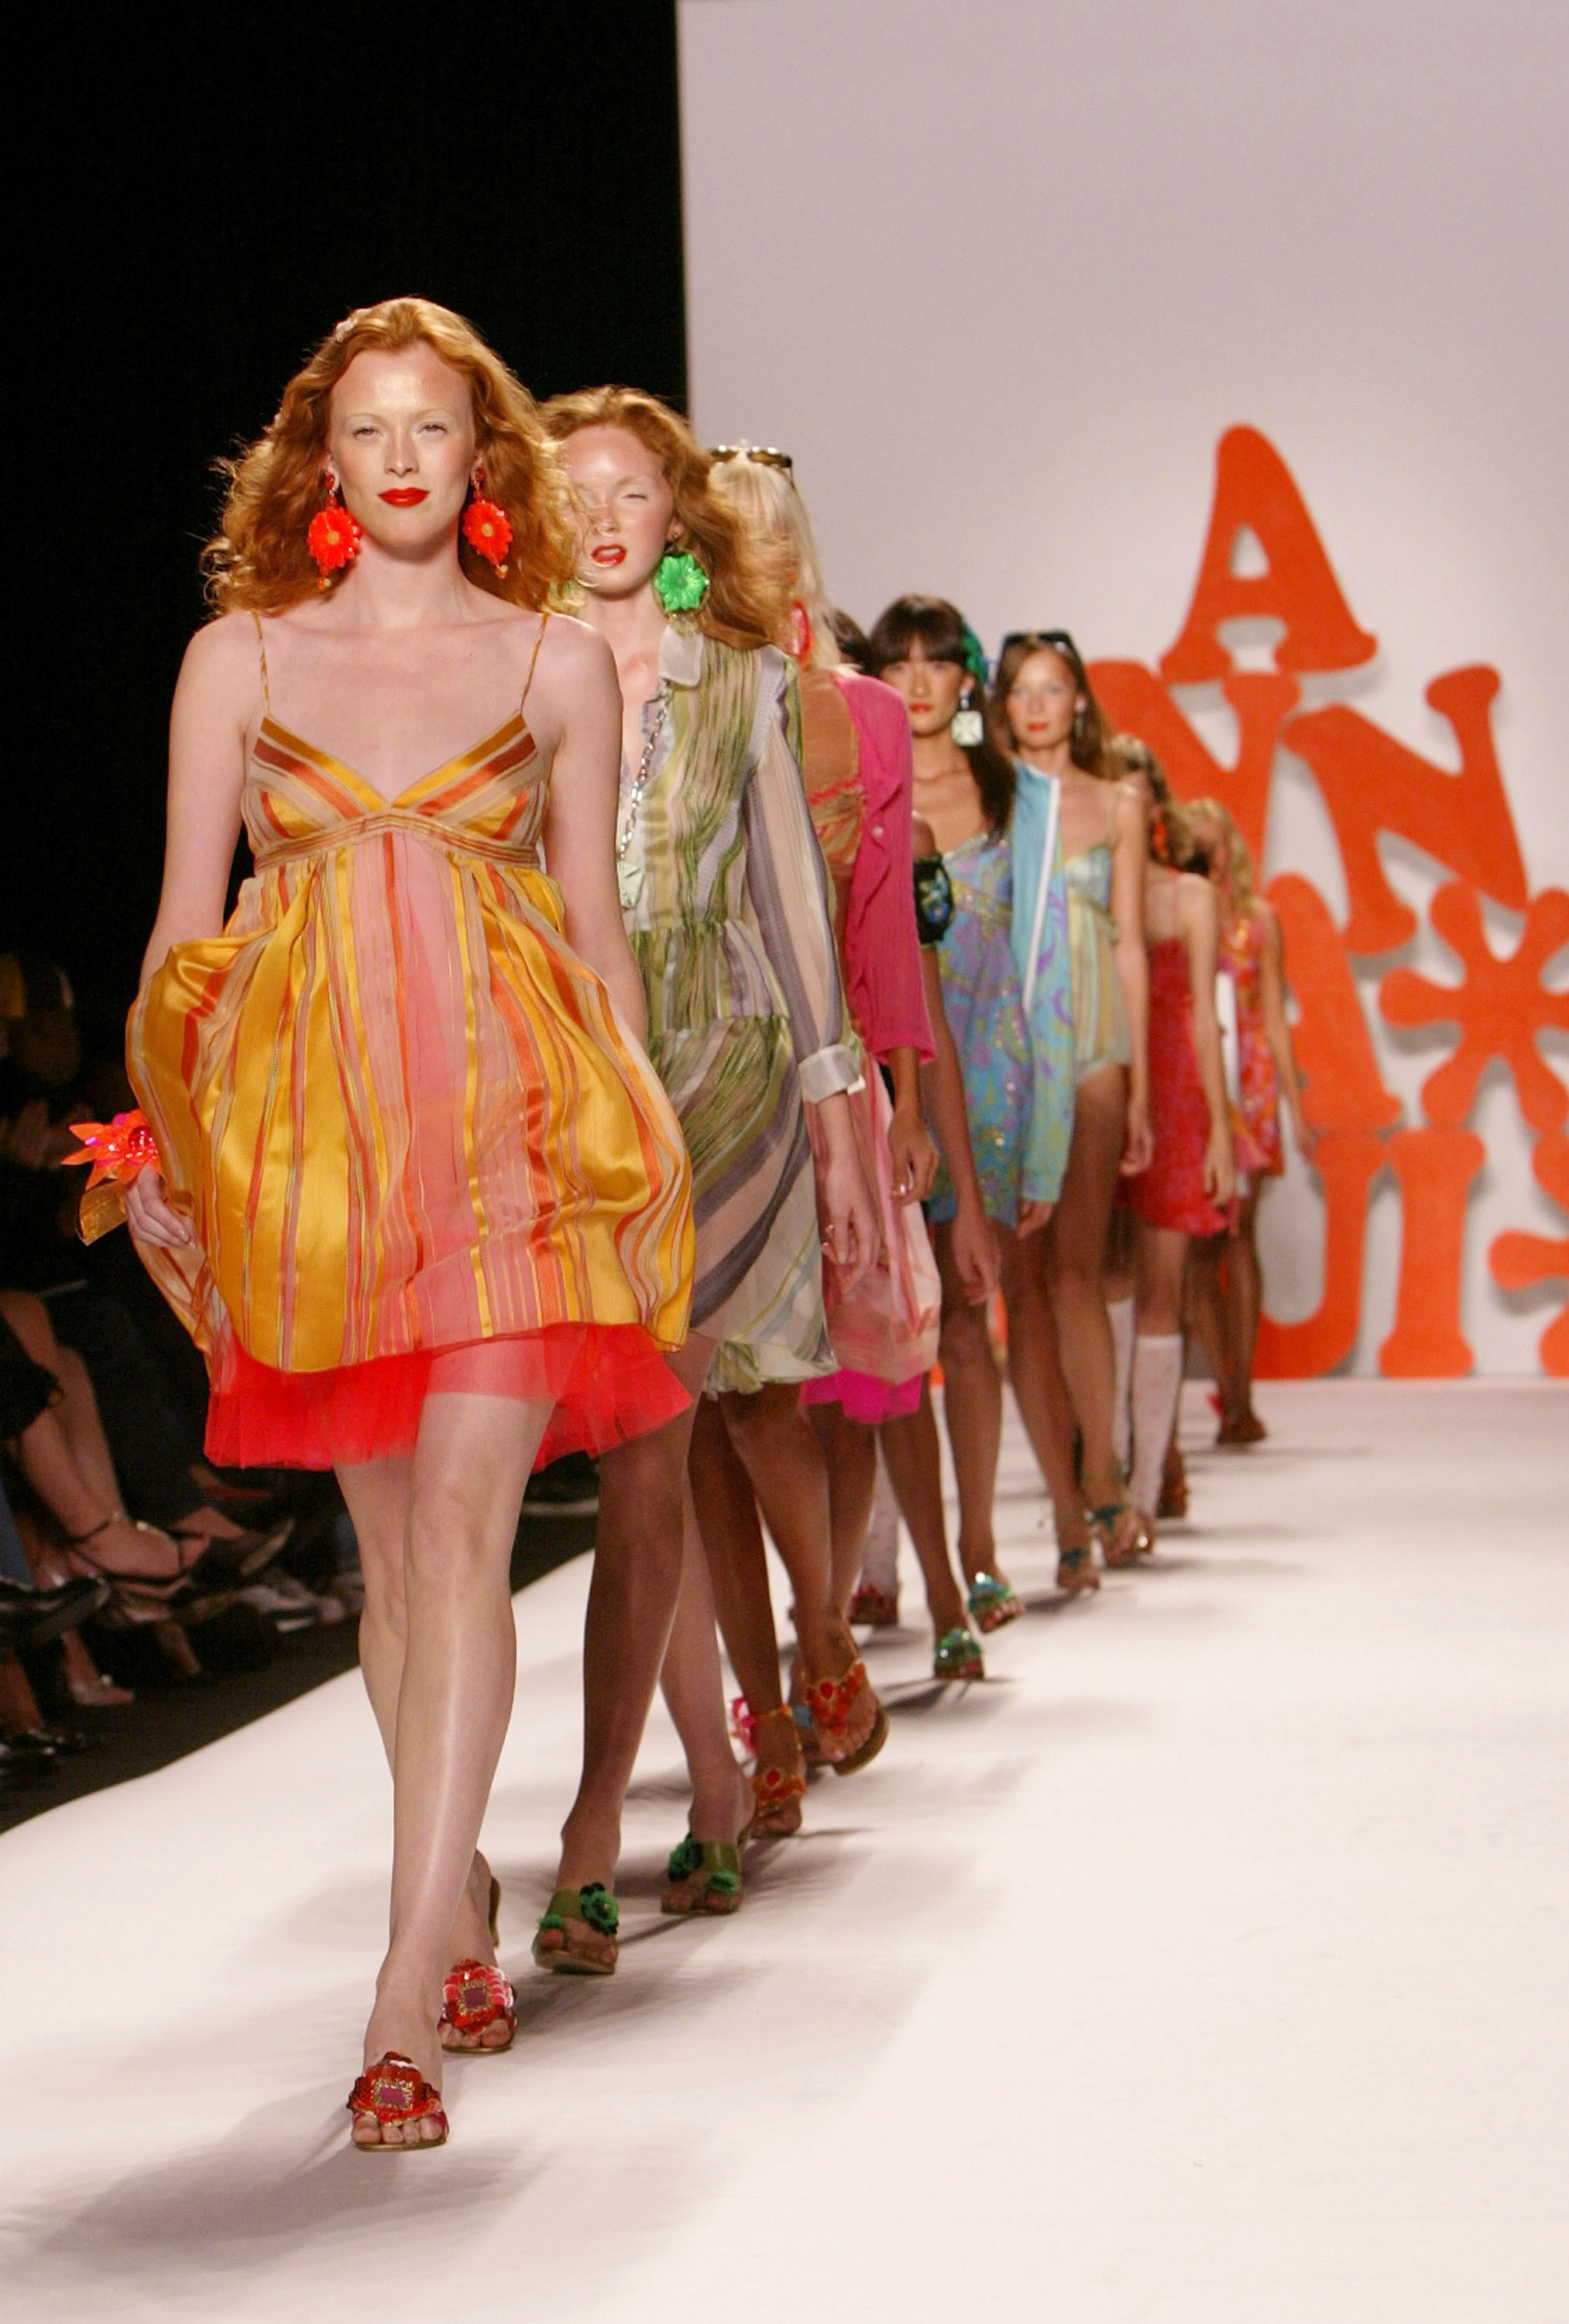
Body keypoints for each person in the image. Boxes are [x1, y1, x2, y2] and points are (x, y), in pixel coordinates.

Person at [117, 300, 695, 2150]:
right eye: (362, 429)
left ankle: (395, 1997)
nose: (396, 457)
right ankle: (450, 1892)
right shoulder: (236, 661)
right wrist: (163, 1146)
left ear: (480, 455)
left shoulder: (554, 665)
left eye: (428, 425)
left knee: (461, 1530)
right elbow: (181, 934)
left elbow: (594, 935)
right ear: (321, 462)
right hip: (318, 1159)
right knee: (393, 1557)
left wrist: (650, 1135)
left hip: (518, 1133)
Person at [542, 388, 884, 1865]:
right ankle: (743, 1740)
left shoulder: (741, 680)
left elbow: (794, 909)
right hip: (586, 1085)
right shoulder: (518, 674)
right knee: (658, 1441)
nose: (605, 519)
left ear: (675, 513)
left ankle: (812, 1637)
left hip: (732, 1073)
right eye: (577, 495)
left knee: (731, 1414)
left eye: (631, 491)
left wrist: (840, 1126)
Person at [872, 600, 1076, 1629]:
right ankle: (879, 1566)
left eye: (935, 661)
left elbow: (1049, 972)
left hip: (990, 1082)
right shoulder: (863, 789)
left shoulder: (1014, 795)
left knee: (966, 1315)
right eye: (895, 662)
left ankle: (980, 1549)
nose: (916, 681)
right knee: (882, 1328)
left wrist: (1048, 1141)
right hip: (883, 1080)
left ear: (965, 679)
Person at [992, 632, 1150, 1585]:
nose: (1037, 704)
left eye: (1052, 688)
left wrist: (1140, 1084)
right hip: (1007, 1049)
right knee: (1023, 1291)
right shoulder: (992, 795)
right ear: (1002, 703)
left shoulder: (1120, 801)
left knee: (1077, 1271)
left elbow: (1128, 943)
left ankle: (1105, 1477)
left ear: (1079, 701)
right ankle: (1062, 1505)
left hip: (1090, 1039)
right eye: (1020, 690)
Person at [1103, 742, 1234, 1538]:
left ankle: (1147, 1486)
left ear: (1156, 805)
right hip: (1100, 1084)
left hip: (1177, 1098)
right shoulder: (1084, 897)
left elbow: (1207, 1021)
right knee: (1103, 1283)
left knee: (1159, 1288)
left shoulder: (1191, 895)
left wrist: (1222, 1131)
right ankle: (1114, 1469)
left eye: (1136, 793)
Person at [1183, 798, 1317, 1445]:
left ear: (1229, 850)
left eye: (1214, 847)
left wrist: (1296, 1108)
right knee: (1199, 1246)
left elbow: (1274, 1017)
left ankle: (1241, 1396)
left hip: (1253, 1086)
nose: (1208, 858)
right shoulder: (1176, 909)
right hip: (1194, 1078)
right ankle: (1227, 1382)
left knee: (1240, 1236)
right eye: (1196, 847)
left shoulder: (1258, 922)